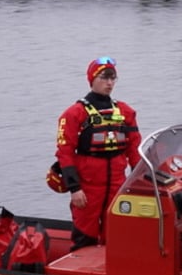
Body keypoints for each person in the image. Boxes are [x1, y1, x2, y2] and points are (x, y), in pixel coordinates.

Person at [47, 56, 141, 251]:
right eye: (104, 77)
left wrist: (141, 181)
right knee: (84, 238)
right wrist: (75, 188)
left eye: (113, 78)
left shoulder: (125, 112)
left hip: (117, 185)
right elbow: (65, 153)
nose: (109, 83)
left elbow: (134, 150)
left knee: (116, 237)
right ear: (92, 79)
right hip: (87, 188)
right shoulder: (74, 114)